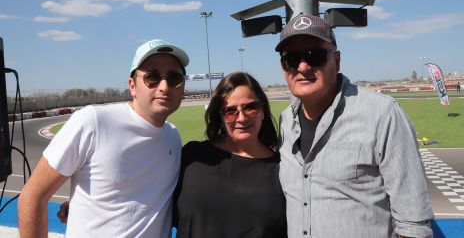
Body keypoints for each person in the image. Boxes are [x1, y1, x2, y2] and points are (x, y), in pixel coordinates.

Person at [275, 14, 433, 237]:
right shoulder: (285, 122)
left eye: (314, 56)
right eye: (291, 59)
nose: (302, 66)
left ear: (336, 61)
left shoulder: (382, 114)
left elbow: (413, 224)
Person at [18, 39, 189, 238]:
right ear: (132, 86)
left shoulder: (173, 138)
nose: (164, 86)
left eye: (174, 78)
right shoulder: (93, 122)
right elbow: (32, 197)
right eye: (152, 77)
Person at [173, 72, 287, 238]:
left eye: (250, 107)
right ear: (220, 116)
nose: (241, 118)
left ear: (262, 111)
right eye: (230, 111)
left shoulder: (283, 170)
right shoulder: (193, 156)